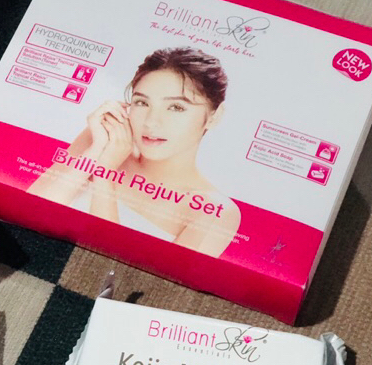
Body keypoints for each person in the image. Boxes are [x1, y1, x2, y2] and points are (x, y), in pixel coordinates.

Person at [27, 47, 240, 257]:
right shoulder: (104, 138)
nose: (151, 122)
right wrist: (96, 151)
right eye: (142, 102)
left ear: (214, 116)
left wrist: (105, 174)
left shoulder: (214, 210)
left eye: (176, 107)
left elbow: (107, 263)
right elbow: (32, 210)